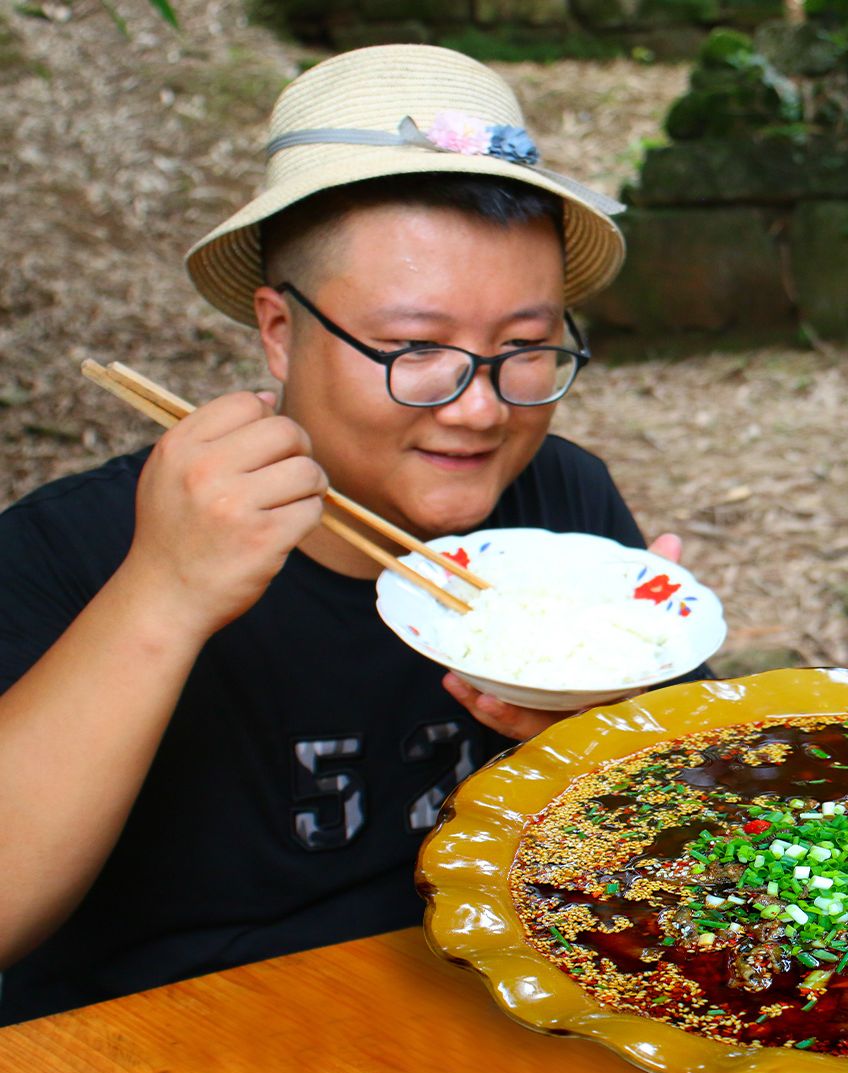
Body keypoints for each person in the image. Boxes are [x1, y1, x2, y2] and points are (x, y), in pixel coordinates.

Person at [0, 45, 697, 1023]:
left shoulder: (562, 507)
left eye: (525, 350)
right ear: (280, 330)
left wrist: (627, 732)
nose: (479, 410)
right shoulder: (75, 548)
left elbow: (681, 851)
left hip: (485, 1017)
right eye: (415, 350)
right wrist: (162, 593)